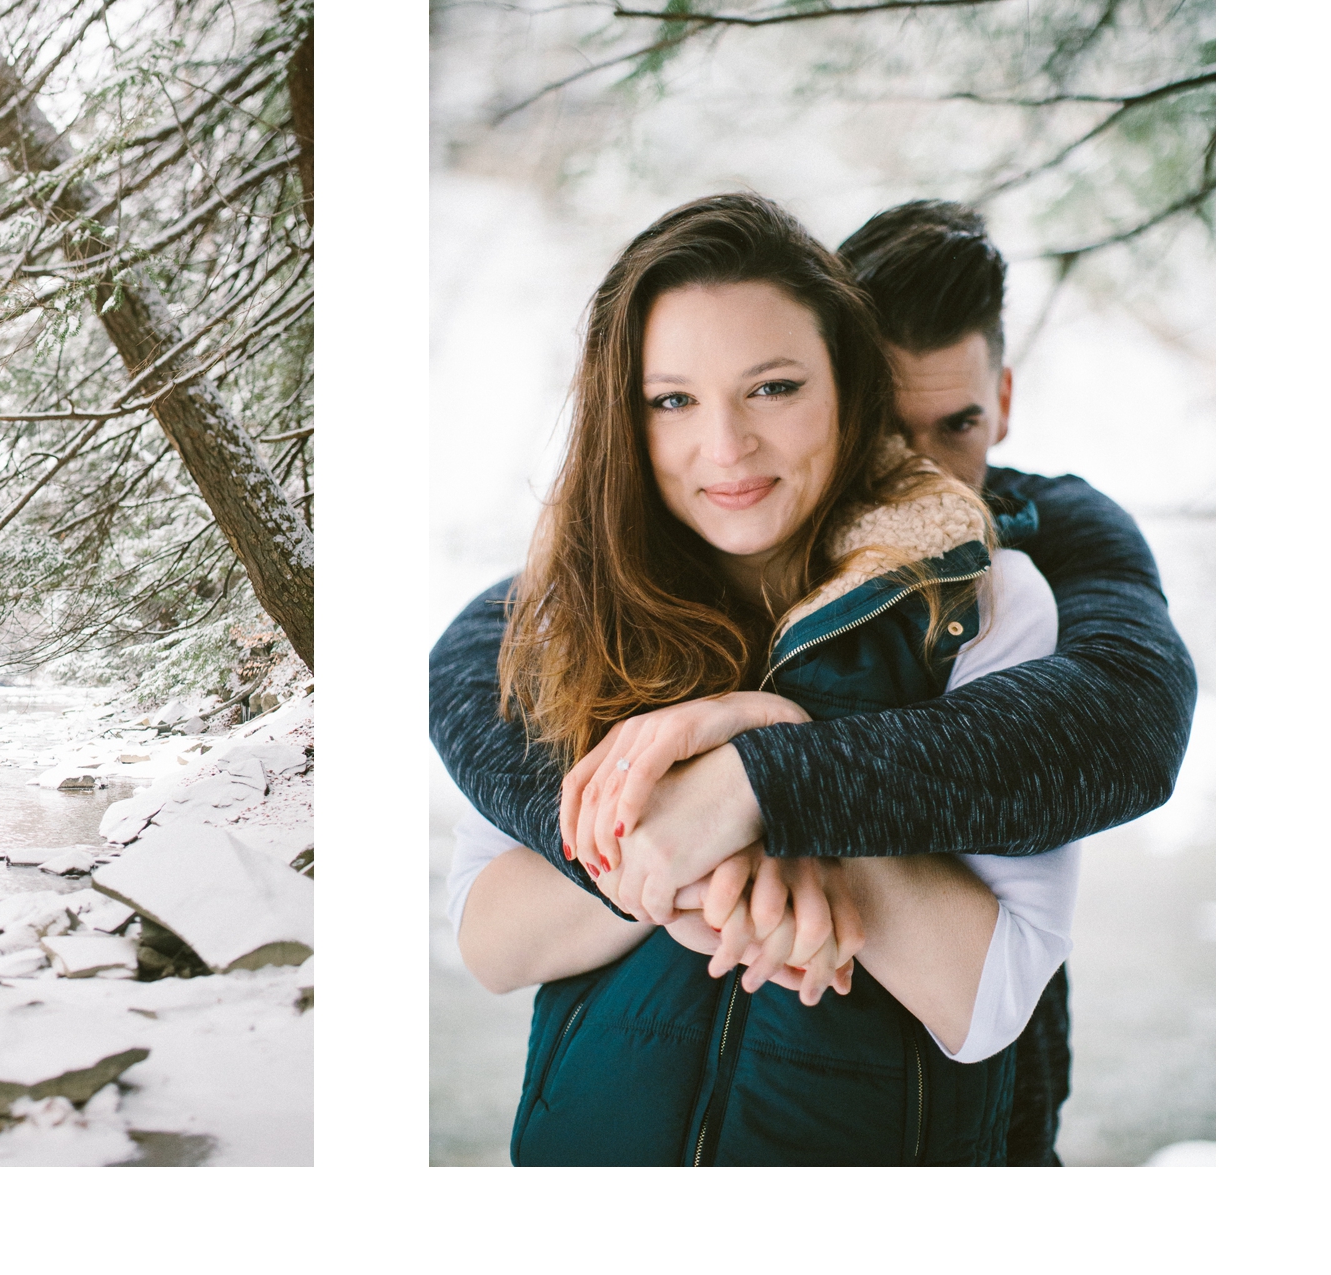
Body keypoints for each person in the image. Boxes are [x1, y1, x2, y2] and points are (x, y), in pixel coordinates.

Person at [430, 193, 1194, 1164]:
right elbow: (476, 695)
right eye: (674, 398)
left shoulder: (1030, 562)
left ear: (1002, 400)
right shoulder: (606, 592)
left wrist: (766, 774)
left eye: (955, 424)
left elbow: (1127, 720)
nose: (919, 468)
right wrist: (672, 839)